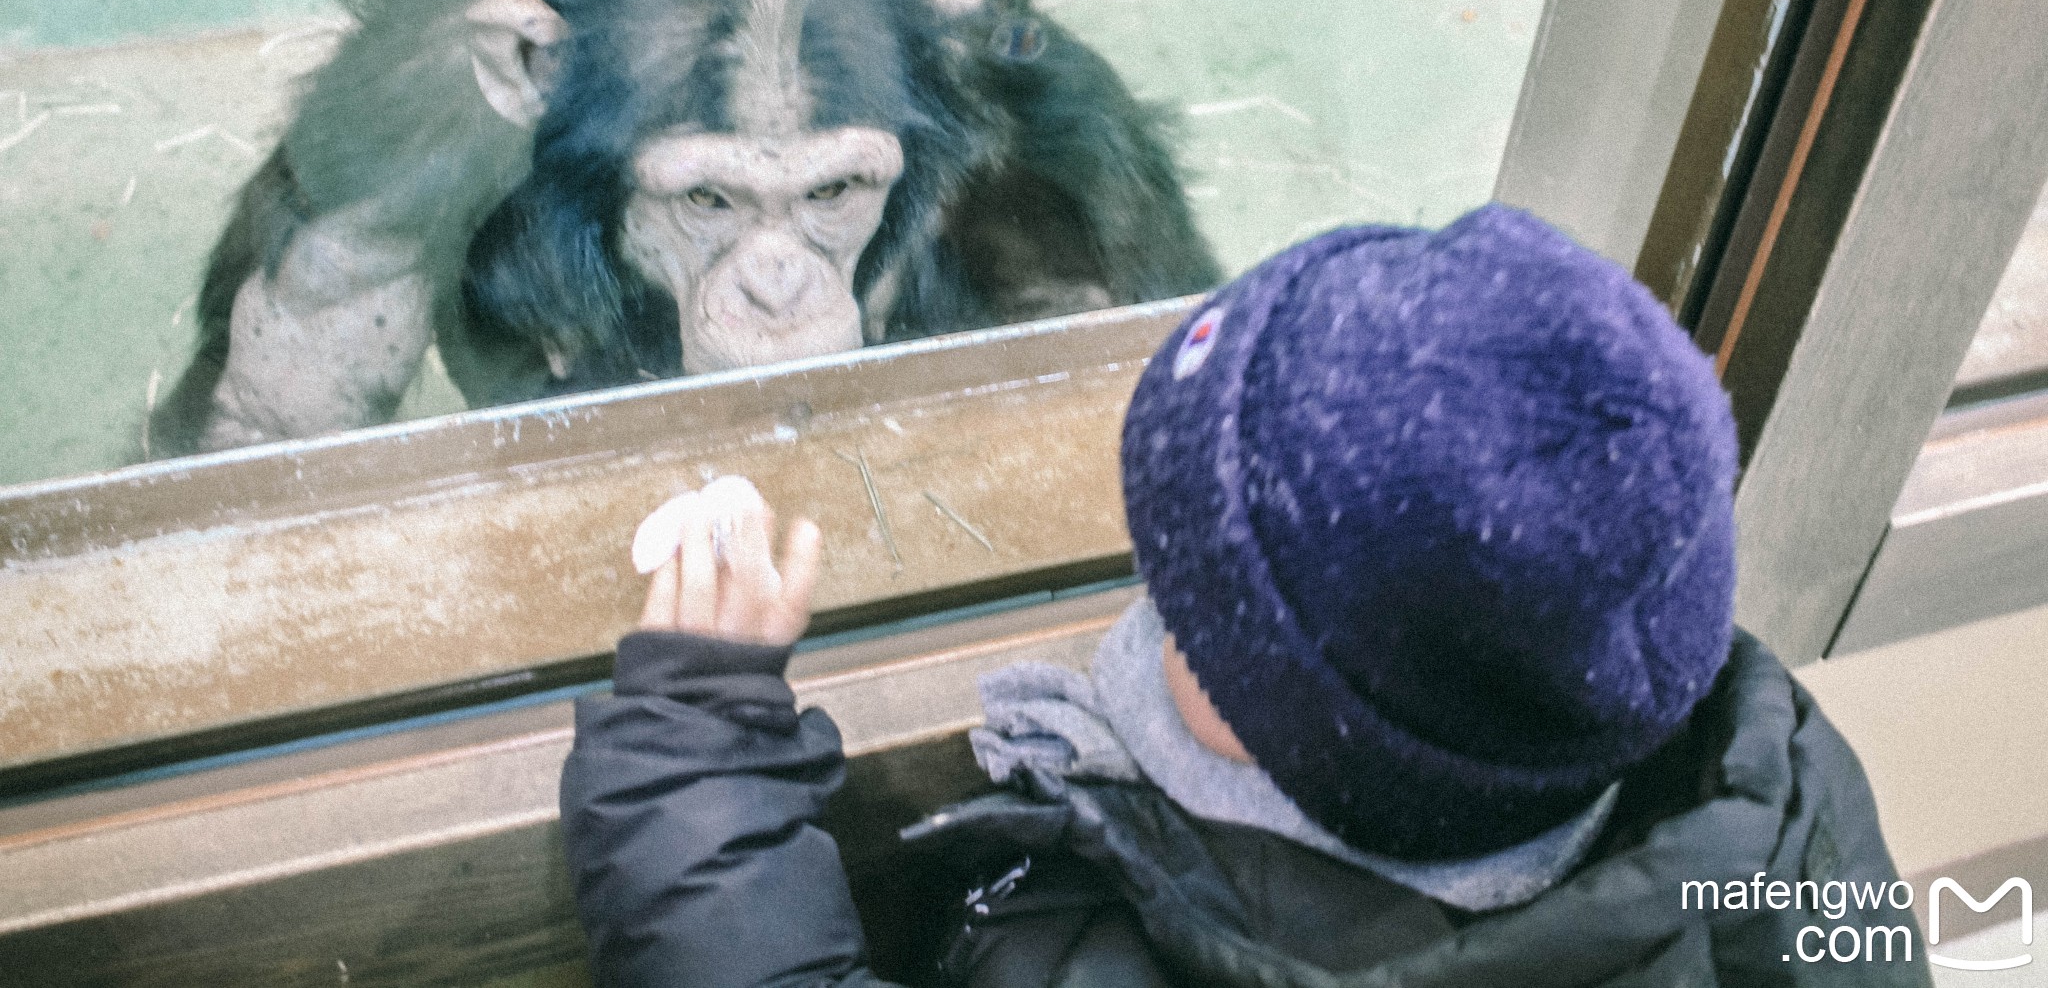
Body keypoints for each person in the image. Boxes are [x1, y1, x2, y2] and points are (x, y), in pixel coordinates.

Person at [560, 204, 1928, 987]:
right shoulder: (1790, 798)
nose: (1151, 602)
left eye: (1193, 600)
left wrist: (698, 750)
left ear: (1298, 744)